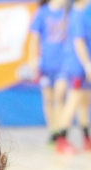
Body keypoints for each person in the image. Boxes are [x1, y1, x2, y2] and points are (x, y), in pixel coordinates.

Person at [55, 0, 91, 154]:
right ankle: (61, 138)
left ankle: (87, 138)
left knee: (85, 103)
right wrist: (89, 66)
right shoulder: (77, 15)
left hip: (80, 68)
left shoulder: (78, 14)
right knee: (73, 102)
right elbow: (79, 43)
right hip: (77, 68)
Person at [28, 0, 69, 145]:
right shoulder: (42, 13)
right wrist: (32, 60)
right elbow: (34, 38)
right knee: (49, 99)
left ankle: (62, 132)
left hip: (63, 65)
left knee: (60, 96)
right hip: (46, 65)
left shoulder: (68, 13)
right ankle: (54, 131)